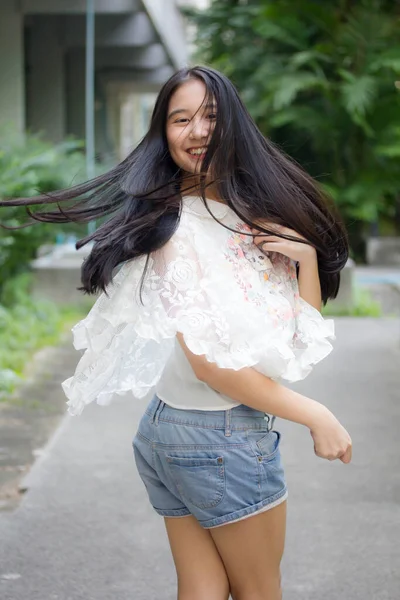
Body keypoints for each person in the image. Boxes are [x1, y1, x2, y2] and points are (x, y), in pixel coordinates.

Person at [0, 65, 352, 600]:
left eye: (209, 115)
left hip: (175, 431)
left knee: (203, 590)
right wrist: (315, 414)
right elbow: (212, 364)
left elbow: (293, 341)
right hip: (219, 437)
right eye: (180, 119)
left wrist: (303, 259)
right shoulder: (177, 230)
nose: (197, 131)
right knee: (260, 592)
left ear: (234, 122)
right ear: (164, 136)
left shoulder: (245, 216)